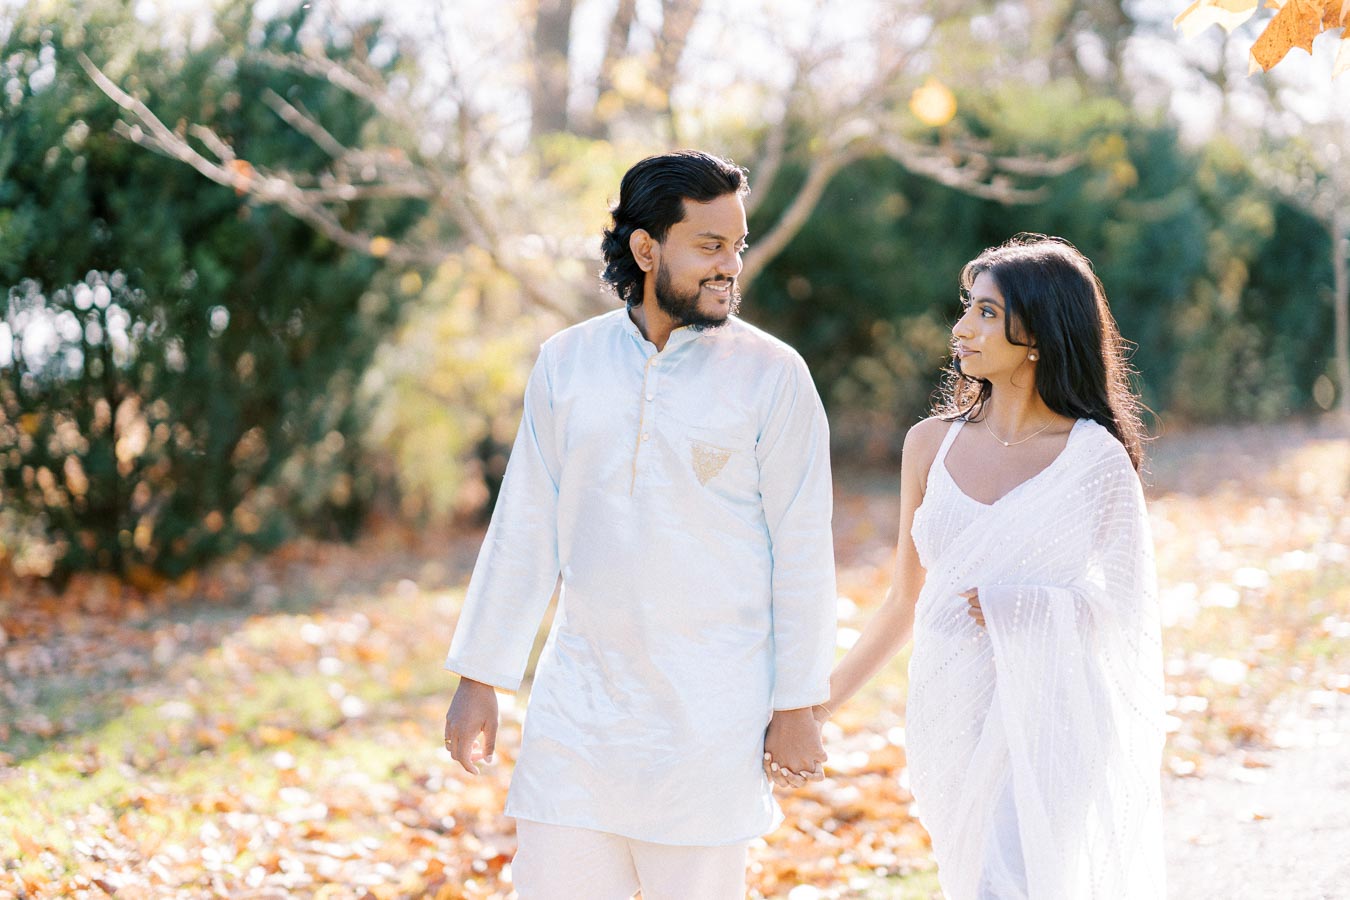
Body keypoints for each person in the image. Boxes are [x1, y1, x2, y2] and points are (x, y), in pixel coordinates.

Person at [441, 150, 837, 899]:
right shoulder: (568, 362)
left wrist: (798, 703)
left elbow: (804, 553)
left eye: (738, 247)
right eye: (710, 246)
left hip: (709, 725)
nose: (730, 267)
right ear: (647, 247)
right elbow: (525, 527)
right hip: (578, 719)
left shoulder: (773, 376)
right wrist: (481, 676)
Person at [771, 235, 1166, 899]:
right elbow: (903, 602)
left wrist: (1028, 606)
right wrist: (815, 710)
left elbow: (1132, 611)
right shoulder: (929, 445)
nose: (961, 328)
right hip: (947, 711)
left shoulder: (1095, 460)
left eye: (985, 312)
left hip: (1051, 719)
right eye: (967, 308)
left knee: (1006, 886)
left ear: (1036, 334)